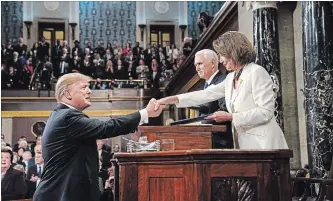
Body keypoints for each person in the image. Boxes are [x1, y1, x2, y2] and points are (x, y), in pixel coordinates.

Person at [33, 73, 164, 201]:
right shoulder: (68, 117)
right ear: (67, 94)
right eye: (83, 88)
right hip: (62, 194)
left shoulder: (61, 115)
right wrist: (146, 113)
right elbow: (106, 127)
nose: (89, 91)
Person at [154, 31, 288, 150]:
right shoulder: (231, 77)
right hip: (245, 145)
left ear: (233, 51)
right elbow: (206, 94)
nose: (221, 60)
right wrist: (171, 99)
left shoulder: (256, 72)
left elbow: (266, 112)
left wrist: (231, 117)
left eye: (222, 54)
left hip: (266, 145)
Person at [194, 49, 233, 149]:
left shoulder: (223, 81)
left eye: (200, 64)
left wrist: (198, 124)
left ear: (212, 63)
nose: (197, 68)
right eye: (196, 65)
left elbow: (224, 110)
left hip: (221, 143)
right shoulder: (207, 84)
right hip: (208, 139)